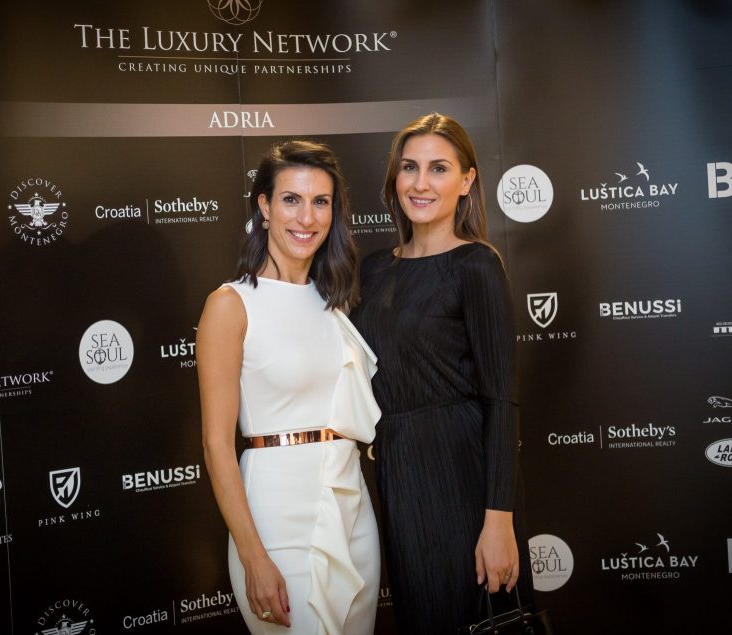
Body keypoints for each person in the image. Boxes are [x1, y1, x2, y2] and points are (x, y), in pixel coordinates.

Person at [350, 113, 532, 633]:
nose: (420, 183)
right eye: (409, 167)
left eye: (438, 168)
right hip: (399, 469)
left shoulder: (476, 266)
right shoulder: (373, 269)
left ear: (467, 180)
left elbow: (501, 400)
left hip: (462, 471)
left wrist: (498, 520)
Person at [197, 140, 381, 634]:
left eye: (321, 201)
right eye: (291, 199)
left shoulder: (335, 302)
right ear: (264, 206)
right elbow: (216, 446)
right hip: (277, 518)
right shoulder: (230, 305)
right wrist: (253, 555)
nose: (307, 217)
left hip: (352, 511)